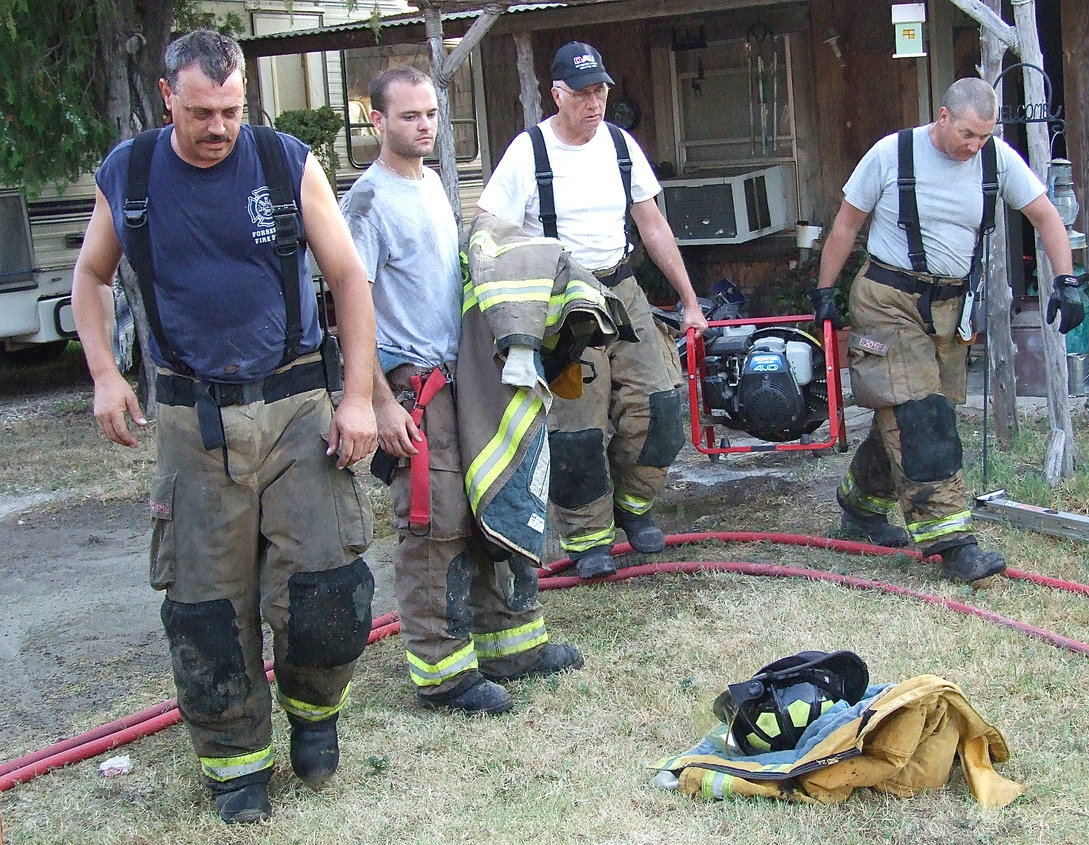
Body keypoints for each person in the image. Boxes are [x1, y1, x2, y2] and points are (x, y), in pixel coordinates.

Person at [71, 30, 378, 824]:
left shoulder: (283, 162)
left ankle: (316, 719)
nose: (219, 126)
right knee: (206, 609)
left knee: (326, 590)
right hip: (188, 418)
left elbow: (347, 275)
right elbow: (91, 276)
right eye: (203, 111)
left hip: (296, 407)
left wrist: (357, 397)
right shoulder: (131, 173)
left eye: (233, 109)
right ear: (167, 94)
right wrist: (105, 372)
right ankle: (236, 764)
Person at [341, 66, 583, 717]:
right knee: (434, 519)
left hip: (459, 376)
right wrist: (379, 403)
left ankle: (510, 644)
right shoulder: (365, 203)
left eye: (431, 113)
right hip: (410, 384)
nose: (424, 125)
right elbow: (351, 306)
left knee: (488, 498)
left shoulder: (432, 185)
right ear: (377, 121)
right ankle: (443, 673)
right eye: (409, 115)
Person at [812, 77, 1082, 584]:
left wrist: (1066, 282)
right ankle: (954, 543)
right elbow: (846, 224)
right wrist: (824, 292)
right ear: (941, 116)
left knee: (906, 410)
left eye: (984, 135)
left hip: (949, 309)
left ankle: (860, 505)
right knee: (922, 417)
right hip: (885, 299)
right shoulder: (891, 154)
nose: (975, 146)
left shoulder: (997, 160)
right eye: (967, 134)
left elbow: (1046, 217)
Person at [477, 41, 708, 579]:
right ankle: (589, 538)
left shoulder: (621, 147)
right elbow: (488, 230)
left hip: (621, 290)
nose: (593, 102)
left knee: (661, 405)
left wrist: (690, 301)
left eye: (600, 90)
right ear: (556, 94)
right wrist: (504, 315)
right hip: (561, 303)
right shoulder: (527, 152)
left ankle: (633, 508)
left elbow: (652, 225)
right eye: (581, 93)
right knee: (575, 429)